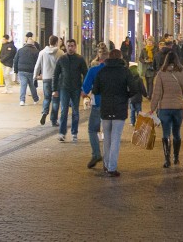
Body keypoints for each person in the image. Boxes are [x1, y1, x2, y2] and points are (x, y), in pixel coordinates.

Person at [92, 49, 136, 177]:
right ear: (121, 57)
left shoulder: (102, 71)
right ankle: (112, 167)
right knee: (116, 138)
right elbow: (133, 89)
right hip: (120, 108)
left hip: (105, 108)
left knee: (107, 138)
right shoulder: (125, 71)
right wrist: (126, 95)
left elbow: (96, 89)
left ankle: (106, 164)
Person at [149, 51, 183, 169]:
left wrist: (152, 108)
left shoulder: (161, 74)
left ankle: (167, 159)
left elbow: (156, 93)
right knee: (177, 133)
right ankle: (176, 157)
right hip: (178, 108)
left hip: (164, 108)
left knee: (165, 133)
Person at [52, 39, 87, 143]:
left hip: (76, 89)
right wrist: (54, 89)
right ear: (66, 47)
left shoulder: (80, 59)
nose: (70, 48)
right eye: (68, 46)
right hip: (64, 88)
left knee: (75, 111)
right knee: (64, 111)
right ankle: (62, 133)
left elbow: (86, 74)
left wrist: (84, 89)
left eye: (72, 46)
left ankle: (74, 133)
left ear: (75, 47)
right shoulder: (61, 59)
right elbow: (55, 74)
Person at [81, 48, 107, 169]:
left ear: (98, 56)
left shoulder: (93, 70)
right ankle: (109, 160)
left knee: (92, 130)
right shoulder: (118, 70)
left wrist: (84, 95)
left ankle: (96, 153)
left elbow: (85, 89)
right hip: (113, 105)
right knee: (109, 132)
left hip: (97, 103)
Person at [34, 36, 64, 127]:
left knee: (47, 98)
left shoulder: (42, 52)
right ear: (56, 42)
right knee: (56, 100)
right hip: (57, 79)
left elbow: (37, 66)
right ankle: (53, 120)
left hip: (46, 78)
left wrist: (34, 77)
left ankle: (44, 112)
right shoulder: (60, 53)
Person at [13, 33, 40, 105]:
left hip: (21, 70)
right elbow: (38, 62)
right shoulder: (36, 51)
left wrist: (15, 70)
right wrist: (39, 72)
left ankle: (22, 100)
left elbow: (15, 60)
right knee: (32, 85)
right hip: (31, 70)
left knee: (23, 85)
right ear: (33, 44)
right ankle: (36, 99)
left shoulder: (20, 50)